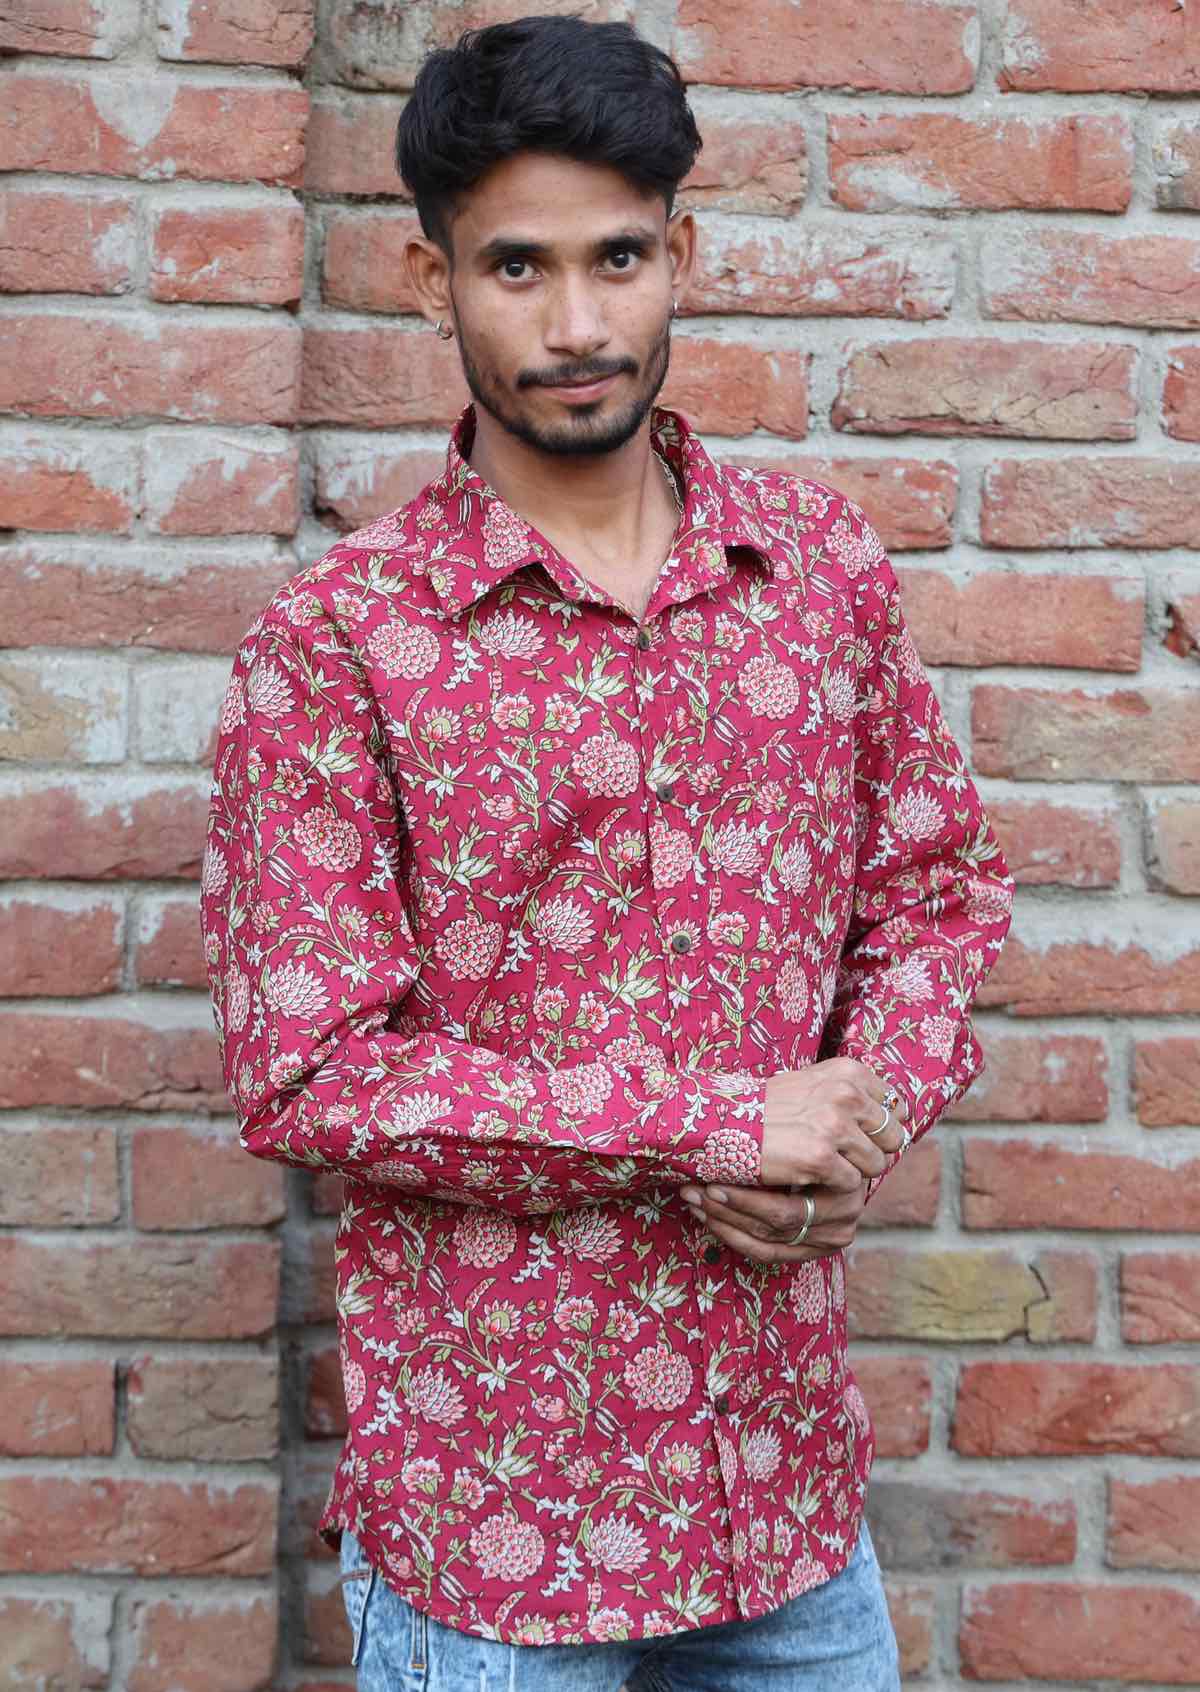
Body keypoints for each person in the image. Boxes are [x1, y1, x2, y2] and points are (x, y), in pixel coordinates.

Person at [199, 14, 1013, 1689]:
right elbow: (312, 1071)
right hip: (500, 1542)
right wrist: (719, 1120)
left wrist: (861, 1120)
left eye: (618, 256)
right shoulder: (339, 646)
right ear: (434, 284)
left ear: (680, 256)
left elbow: (934, 891)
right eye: (515, 266)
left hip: (788, 1512)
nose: (576, 325)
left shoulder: (820, 573)